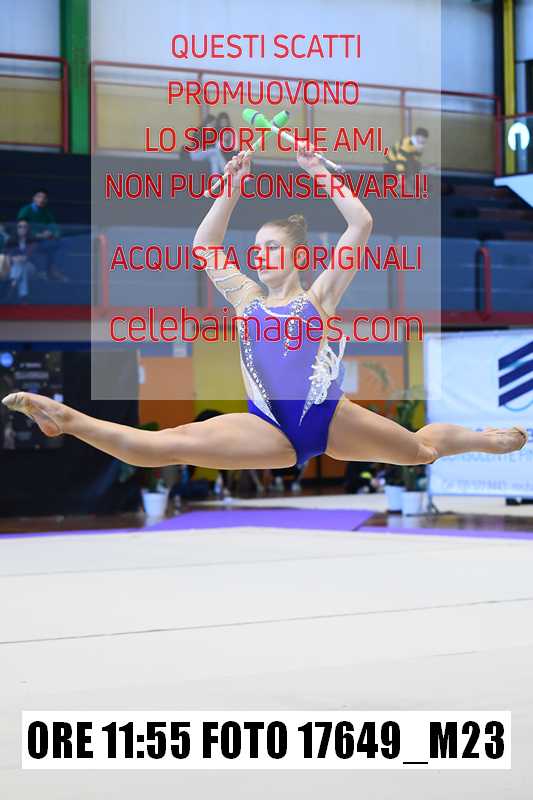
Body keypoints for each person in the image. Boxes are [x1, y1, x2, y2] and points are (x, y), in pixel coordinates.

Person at [1, 146, 528, 472]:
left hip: (329, 418)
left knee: (419, 451)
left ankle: (479, 440)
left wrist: (319, 171)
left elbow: (361, 224)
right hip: (268, 427)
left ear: (298, 256)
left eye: (271, 248)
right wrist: (231, 188)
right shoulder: (247, 302)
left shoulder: (318, 298)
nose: (259, 256)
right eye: (256, 250)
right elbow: (205, 246)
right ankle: (67, 419)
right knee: (169, 445)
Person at [16, 190, 63, 280]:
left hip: (44, 239)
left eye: (44, 198)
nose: (41, 199)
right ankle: (44, 271)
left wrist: (53, 233)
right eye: (39, 197)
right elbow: (22, 227)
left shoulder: (46, 212)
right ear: (33, 198)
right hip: (30, 240)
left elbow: (54, 226)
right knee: (40, 246)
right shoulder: (26, 210)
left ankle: (51, 270)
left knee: (60, 244)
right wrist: (37, 235)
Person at [4, 220, 37, 301]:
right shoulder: (11, 240)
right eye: (20, 227)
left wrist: (23, 258)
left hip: (30, 266)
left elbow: (30, 255)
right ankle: (23, 296)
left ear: (28, 229)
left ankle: (14, 281)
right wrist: (13, 258)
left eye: (25, 227)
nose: (22, 229)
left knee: (22, 264)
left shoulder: (32, 241)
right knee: (21, 268)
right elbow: (7, 254)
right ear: (17, 228)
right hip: (13, 265)